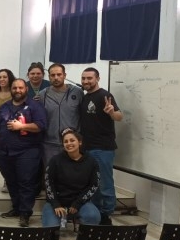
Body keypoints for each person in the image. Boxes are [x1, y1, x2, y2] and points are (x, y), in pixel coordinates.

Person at [0, 79, 47, 228]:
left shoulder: (35, 106)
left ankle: (25, 213)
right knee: (11, 182)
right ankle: (16, 208)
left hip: (27, 151)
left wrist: (21, 126)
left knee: (25, 182)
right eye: (15, 87)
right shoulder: (4, 107)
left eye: (20, 88)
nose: (17, 90)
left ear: (26, 89)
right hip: (5, 153)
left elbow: (40, 126)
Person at [79, 67, 123, 226]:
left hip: (103, 148)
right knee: (93, 184)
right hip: (87, 148)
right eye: (83, 78)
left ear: (97, 78)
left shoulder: (105, 95)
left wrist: (111, 112)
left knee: (104, 183)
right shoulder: (84, 97)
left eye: (89, 78)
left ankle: (106, 216)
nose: (86, 81)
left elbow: (119, 116)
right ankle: (97, 212)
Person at [42, 129, 101, 228]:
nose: (69, 143)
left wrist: (78, 203)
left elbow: (94, 185)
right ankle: (58, 218)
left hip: (80, 201)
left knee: (93, 217)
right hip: (58, 201)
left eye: (72, 140)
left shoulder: (91, 161)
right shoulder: (55, 160)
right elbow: (48, 183)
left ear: (80, 142)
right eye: (66, 141)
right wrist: (55, 204)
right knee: (50, 227)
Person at [36, 63, 83, 165]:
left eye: (59, 74)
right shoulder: (43, 95)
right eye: (52, 75)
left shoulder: (77, 92)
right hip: (49, 145)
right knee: (51, 175)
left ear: (64, 75)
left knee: (73, 174)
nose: (56, 78)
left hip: (72, 143)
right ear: (48, 77)